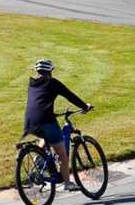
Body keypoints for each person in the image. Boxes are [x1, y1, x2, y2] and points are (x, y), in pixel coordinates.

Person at [23, 59, 92, 192]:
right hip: (46, 120)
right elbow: (70, 96)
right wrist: (85, 106)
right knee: (62, 155)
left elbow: (39, 102)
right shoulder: (52, 82)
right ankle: (67, 184)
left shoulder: (32, 84)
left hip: (30, 121)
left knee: (45, 138)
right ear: (50, 71)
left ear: (37, 71)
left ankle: (38, 162)